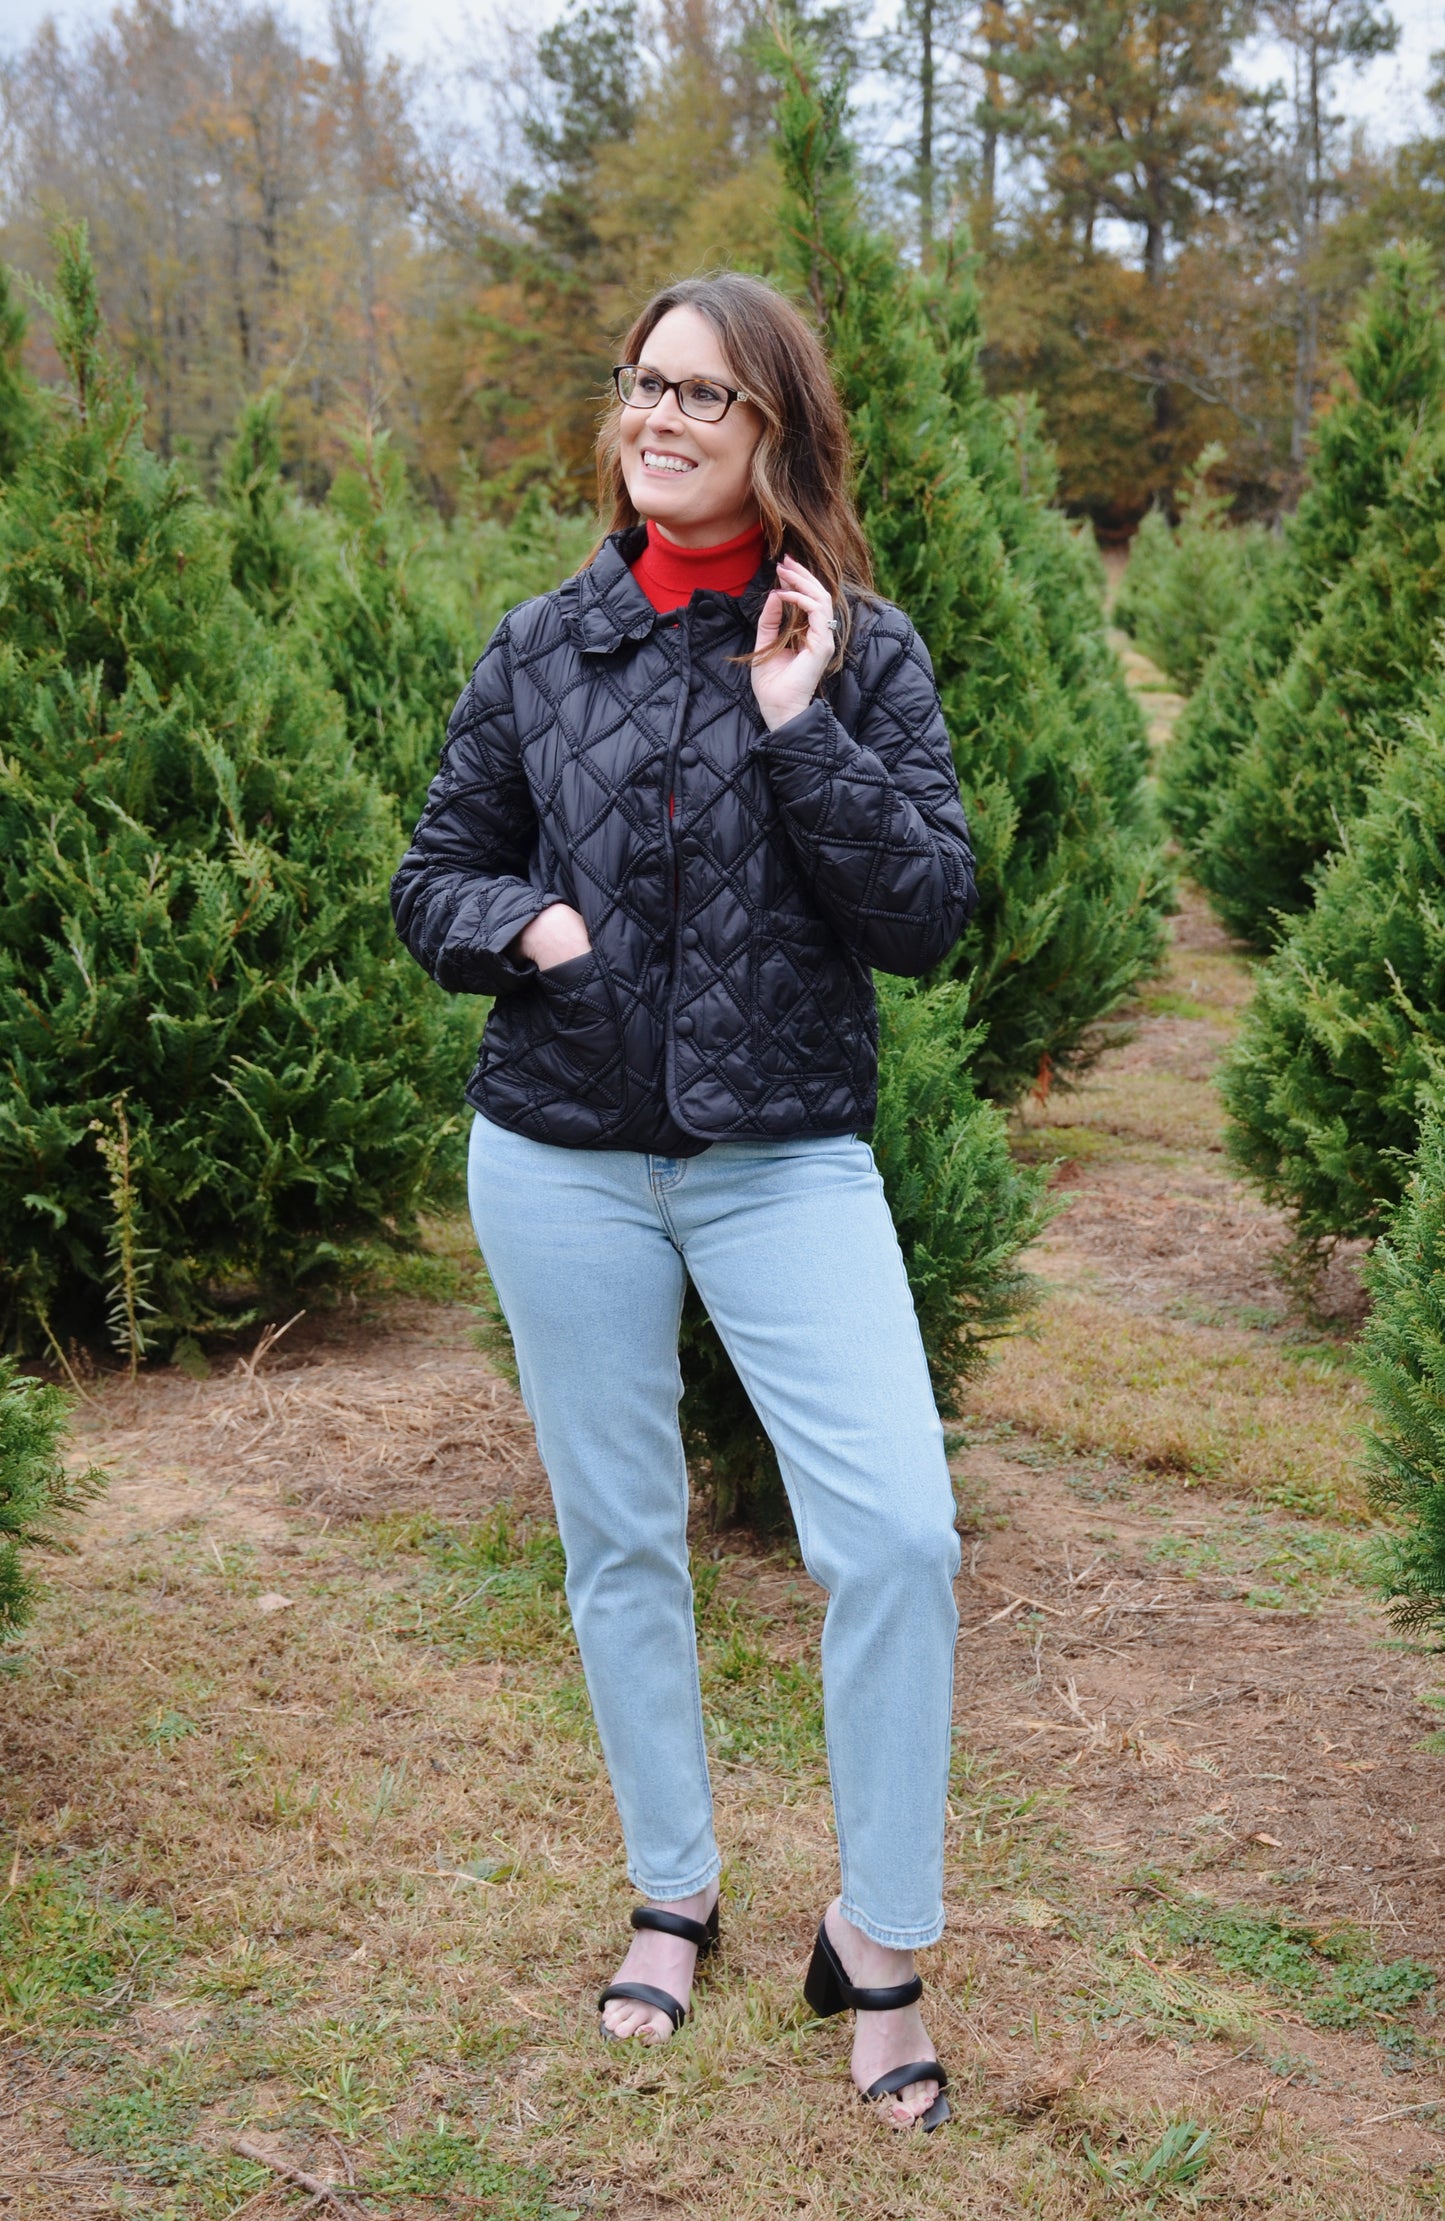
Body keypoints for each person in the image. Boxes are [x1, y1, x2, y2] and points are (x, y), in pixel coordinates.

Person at [392, 270, 976, 2132]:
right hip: (556, 1154)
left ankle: (877, 1947)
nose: (657, 416)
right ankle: (675, 1886)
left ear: (776, 436)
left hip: (780, 1156)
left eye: (702, 396)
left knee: (896, 1534)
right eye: (642, 383)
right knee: (621, 1540)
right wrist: (518, 922)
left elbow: (928, 922)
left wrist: (800, 725)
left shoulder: (858, 650)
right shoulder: (536, 645)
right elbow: (430, 877)